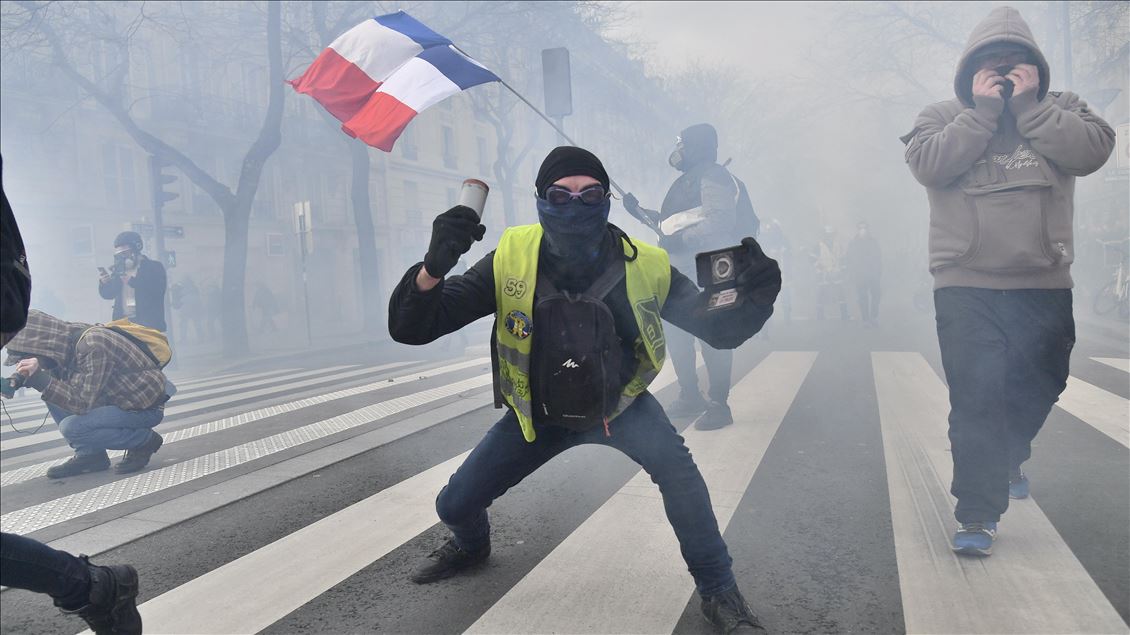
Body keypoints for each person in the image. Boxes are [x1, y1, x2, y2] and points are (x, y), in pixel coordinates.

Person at [389, 146, 780, 634]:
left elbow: (718, 330)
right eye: (560, 194)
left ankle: (720, 593)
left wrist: (751, 297)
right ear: (540, 199)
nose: (574, 204)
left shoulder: (648, 264)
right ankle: (471, 545)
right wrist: (432, 268)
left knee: (683, 481)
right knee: (452, 506)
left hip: (621, 408)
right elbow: (413, 327)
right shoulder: (509, 256)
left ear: (607, 199)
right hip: (540, 416)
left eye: (589, 193)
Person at [902, 6, 1114, 556]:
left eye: (1015, 63)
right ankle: (976, 511)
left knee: (1044, 383)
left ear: (1037, 67)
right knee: (975, 398)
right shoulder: (942, 114)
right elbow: (928, 165)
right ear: (968, 69)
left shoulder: (1064, 109)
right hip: (964, 284)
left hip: (1043, 282)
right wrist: (980, 113)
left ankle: (1008, 454)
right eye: (990, 64)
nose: (1003, 71)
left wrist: (1029, 108)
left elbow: (1094, 151)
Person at [1, 155, 142, 635]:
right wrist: (31, 374)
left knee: (75, 421)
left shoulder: (92, 340)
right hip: (109, 393)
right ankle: (92, 586)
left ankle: (136, 441)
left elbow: (80, 401)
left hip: (138, 407)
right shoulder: (60, 349)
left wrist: (42, 376)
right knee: (69, 414)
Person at [622, 123, 757, 429]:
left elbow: (719, 222)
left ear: (698, 146)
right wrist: (639, 211)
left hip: (712, 266)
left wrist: (680, 242)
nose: (679, 151)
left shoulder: (714, 176)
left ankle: (719, 405)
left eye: (684, 144)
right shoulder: (688, 181)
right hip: (681, 269)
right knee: (679, 334)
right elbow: (672, 227)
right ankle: (690, 396)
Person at [5, 310, 170, 478]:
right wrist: (19, 378)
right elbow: (62, 383)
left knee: (72, 428)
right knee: (53, 392)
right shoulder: (62, 342)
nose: (25, 361)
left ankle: (144, 441)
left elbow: (82, 403)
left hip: (141, 409)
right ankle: (90, 455)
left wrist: (39, 379)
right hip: (113, 401)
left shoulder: (92, 345)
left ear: (38, 345)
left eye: (25, 356)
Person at [98, 231, 167, 331]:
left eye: (125, 252)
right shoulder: (119, 269)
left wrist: (132, 281)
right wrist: (104, 283)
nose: (123, 256)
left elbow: (157, 290)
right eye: (119, 254)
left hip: (147, 324)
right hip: (123, 323)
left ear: (136, 248)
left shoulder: (154, 267)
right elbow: (109, 294)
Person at [845, 221, 882, 327]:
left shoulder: (873, 242)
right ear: (857, 230)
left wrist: (878, 271)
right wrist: (852, 273)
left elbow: (878, 257)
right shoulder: (853, 244)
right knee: (862, 297)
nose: (863, 230)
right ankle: (865, 319)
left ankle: (873, 316)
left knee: (876, 295)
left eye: (864, 228)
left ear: (868, 229)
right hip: (860, 275)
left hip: (873, 274)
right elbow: (849, 259)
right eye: (860, 228)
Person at [811, 226, 849, 321]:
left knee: (840, 293)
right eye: (827, 235)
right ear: (824, 235)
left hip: (836, 272)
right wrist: (819, 268)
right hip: (823, 274)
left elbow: (843, 258)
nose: (829, 236)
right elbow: (812, 259)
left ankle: (844, 314)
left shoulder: (838, 245)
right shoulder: (818, 246)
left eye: (831, 235)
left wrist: (843, 269)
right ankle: (820, 315)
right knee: (821, 293)